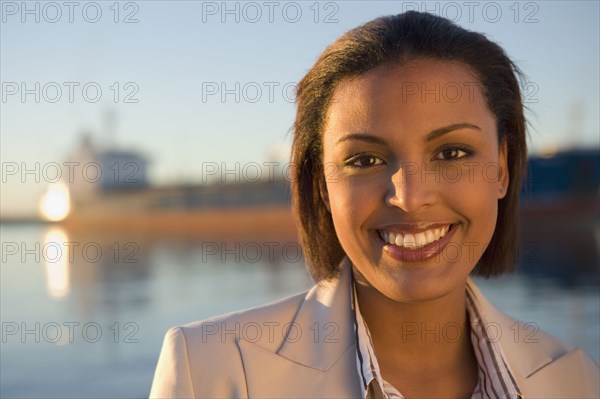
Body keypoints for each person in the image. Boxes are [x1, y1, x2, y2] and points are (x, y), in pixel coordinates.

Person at [150, 11, 599, 398]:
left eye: (452, 152)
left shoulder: (576, 380)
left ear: (501, 167)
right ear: (322, 186)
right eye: (364, 159)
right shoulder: (208, 371)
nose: (409, 196)